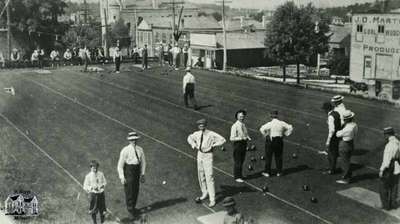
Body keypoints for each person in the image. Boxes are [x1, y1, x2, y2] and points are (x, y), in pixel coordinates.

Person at [187, 119, 226, 207]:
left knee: (209, 176)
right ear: (198, 126)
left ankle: (212, 199)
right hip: (200, 154)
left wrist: (213, 145)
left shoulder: (211, 134)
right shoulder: (197, 133)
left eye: (203, 125)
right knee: (201, 174)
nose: (201, 126)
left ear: (205, 125)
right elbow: (189, 137)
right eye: (200, 125)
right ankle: (204, 192)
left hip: (208, 155)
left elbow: (222, 140)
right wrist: (194, 145)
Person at [117, 132, 146, 219]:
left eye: (135, 139)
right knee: (130, 191)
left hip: (136, 171)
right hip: (129, 171)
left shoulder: (140, 149)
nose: (134, 141)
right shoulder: (125, 150)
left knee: (136, 190)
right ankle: (130, 211)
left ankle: (133, 207)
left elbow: (144, 162)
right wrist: (122, 177)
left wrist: (143, 174)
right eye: (132, 140)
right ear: (129, 141)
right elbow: (120, 166)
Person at [259, 110, 293, 177]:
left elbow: (261, 129)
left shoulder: (270, 123)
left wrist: (266, 134)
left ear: (270, 116)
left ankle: (267, 172)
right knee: (278, 156)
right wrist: (286, 134)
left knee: (268, 157)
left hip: (271, 141)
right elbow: (290, 127)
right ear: (277, 116)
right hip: (279, 140)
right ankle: (279, 172)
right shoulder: (281, 123)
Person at [379, 127, 400, 210]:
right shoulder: (398, 142)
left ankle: (386, 205)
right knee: (394, 186)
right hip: (397, 166)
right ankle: (393, 203)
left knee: (383, 187)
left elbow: (386, 161)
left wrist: (382, 170)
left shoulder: (389, 145)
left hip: (390, 168)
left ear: (387, 134)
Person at [335, 110, 358, 184]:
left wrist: (340, 128)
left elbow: (338, 134)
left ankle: (346, 178)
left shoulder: (347, 128)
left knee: (344, 162)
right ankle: (347, 175)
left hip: (344, 144)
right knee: (347, 160)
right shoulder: (354, 125)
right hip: (351, 143)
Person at [230, 110, 251, 183]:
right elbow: (232, 138)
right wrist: (241, 138)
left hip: (243, 144)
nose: (242, 118)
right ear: (237, 117)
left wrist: (247, 137)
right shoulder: (234, 126)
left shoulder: (243, 124)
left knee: (242, 160)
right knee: (238, 160)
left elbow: (245, 133)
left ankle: (240, 175)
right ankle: (237, 177)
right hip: (238, 144)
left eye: (243, 116)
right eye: (240, 116)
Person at [322, 101, 342, 175]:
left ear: (326, 109)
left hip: (333, 137)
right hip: (338, 136)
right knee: (334, 153)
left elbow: (332, 130)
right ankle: (332, 168)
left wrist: (328, 141)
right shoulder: (336, 113)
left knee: (331, 154)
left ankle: (331, 169)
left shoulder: (330, 116)